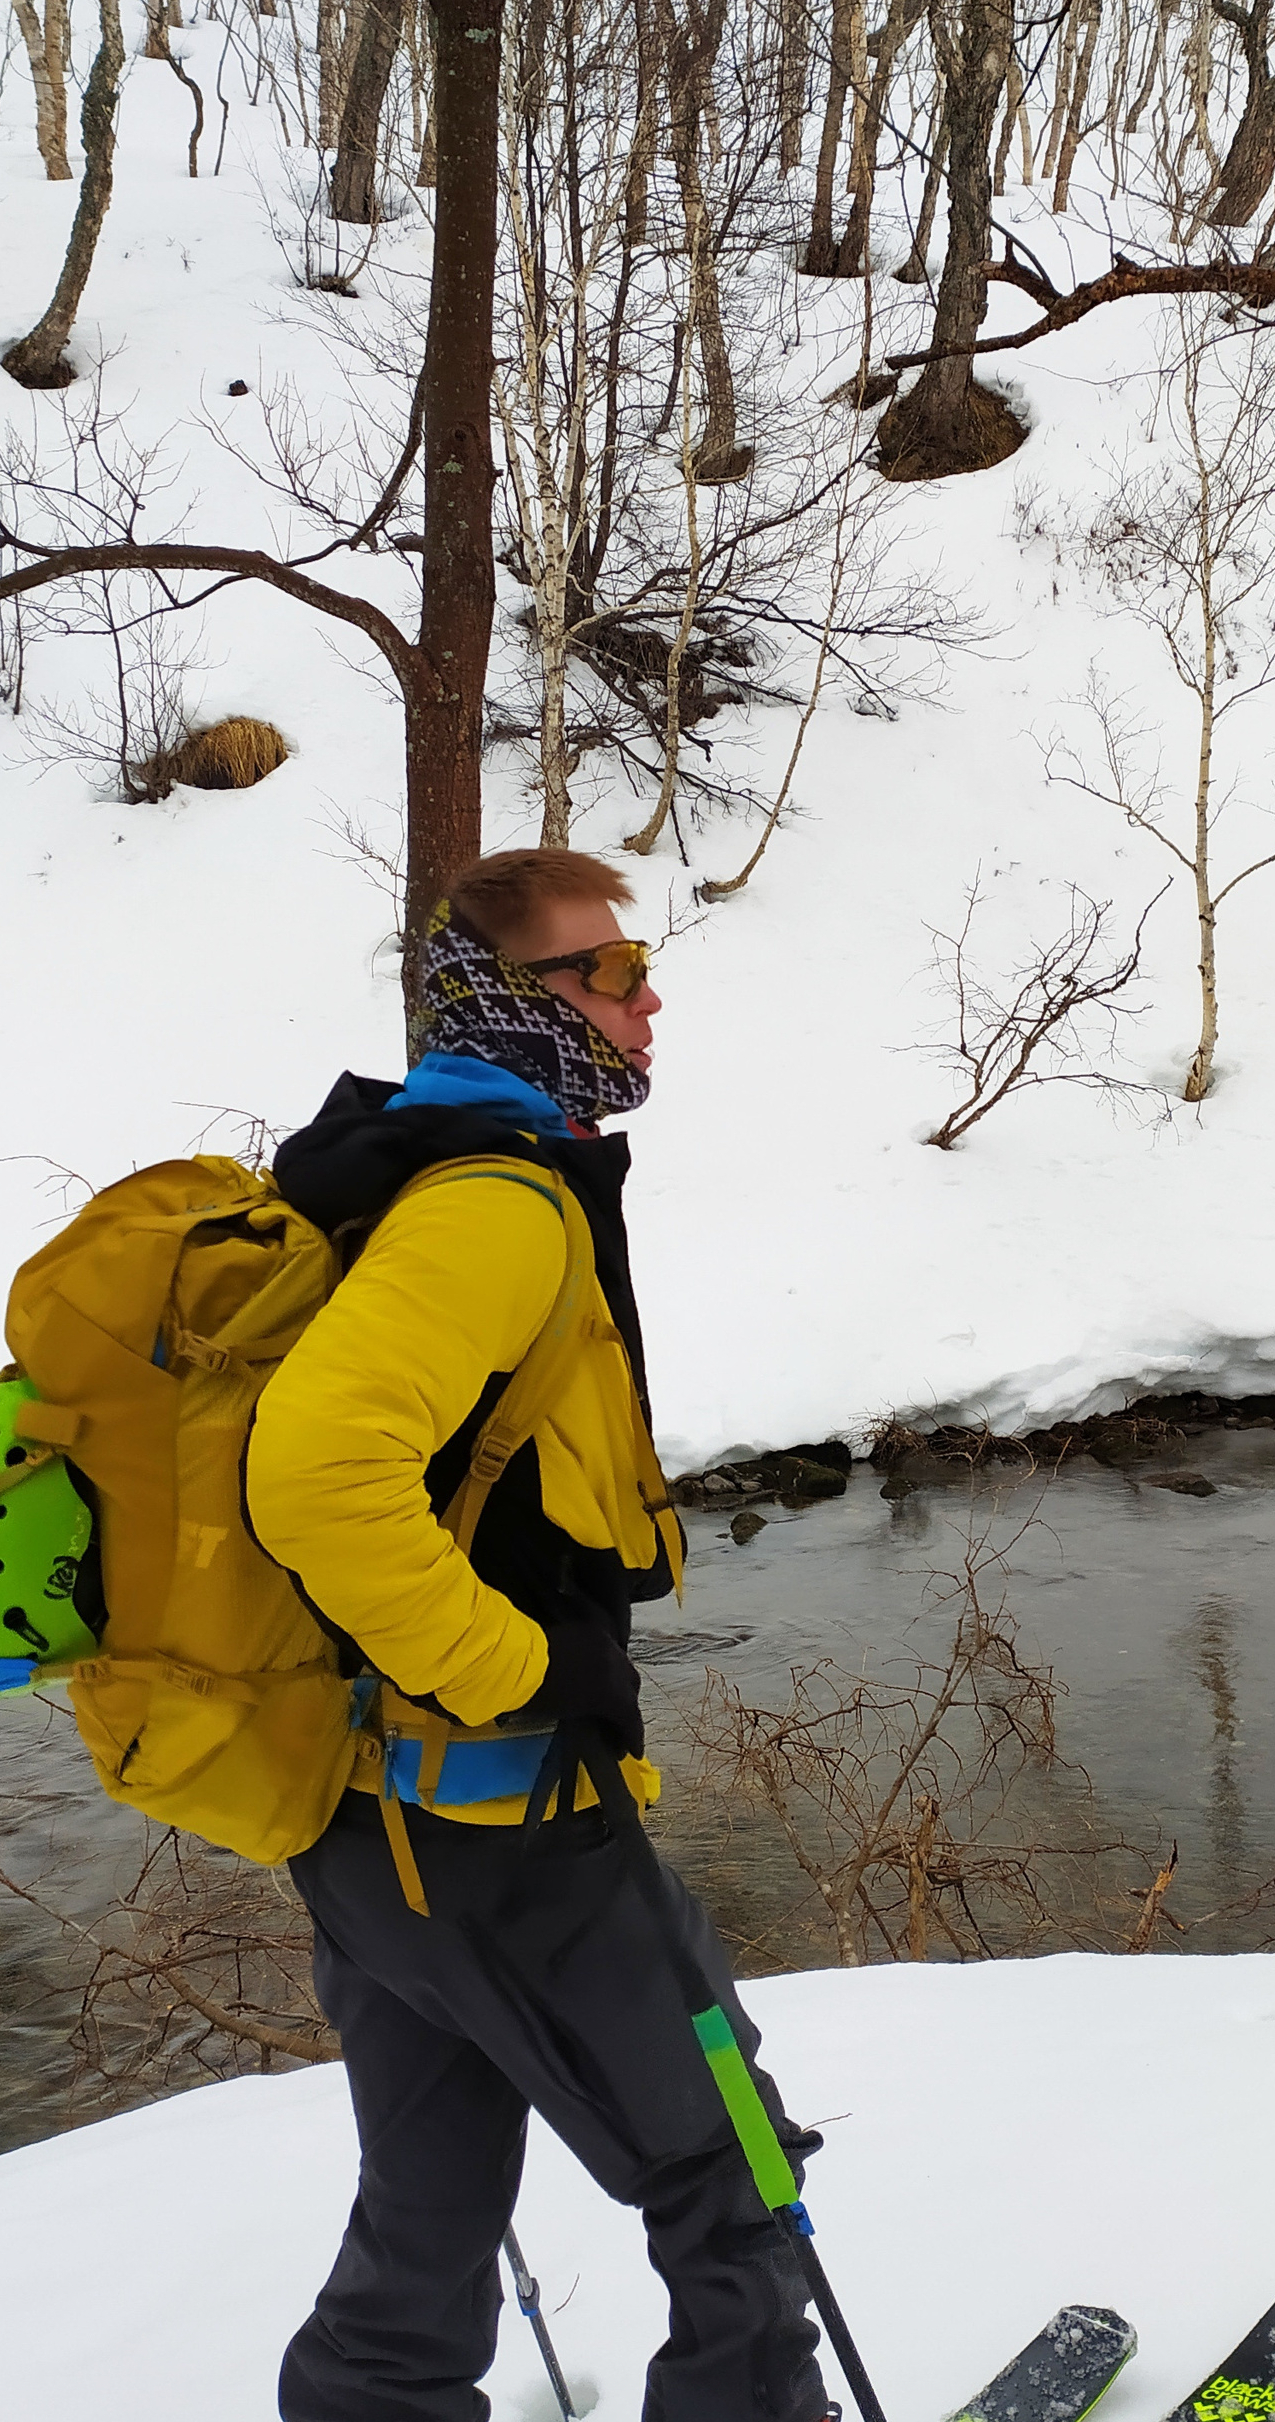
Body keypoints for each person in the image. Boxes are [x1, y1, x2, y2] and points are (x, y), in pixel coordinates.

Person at [247, 848, 828, 2422]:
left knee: (429, 2199)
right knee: (732, 2168)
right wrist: (521, 1670)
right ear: (517, 1005)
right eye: (613, 972)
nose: (648, 1001)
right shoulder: (490, 1209)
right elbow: (314, 1474)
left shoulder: (401, 1168)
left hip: (375, 1828)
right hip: (508, 1822)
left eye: (643, 967)